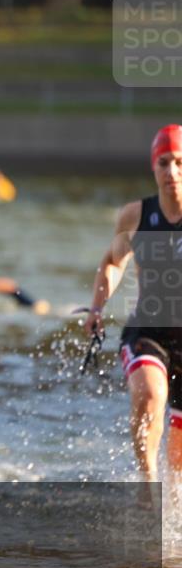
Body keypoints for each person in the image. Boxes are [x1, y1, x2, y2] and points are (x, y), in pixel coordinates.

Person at [85, 124, 182, 494]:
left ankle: (171, 501)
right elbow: (112, 262)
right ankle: (147, 489)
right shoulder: (135, 216)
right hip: (148, 331)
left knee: (179, 462)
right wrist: (96, 308)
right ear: (153, 167)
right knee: (150, 394)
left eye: (179, 162)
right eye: (164, 162)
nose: (172, 171)